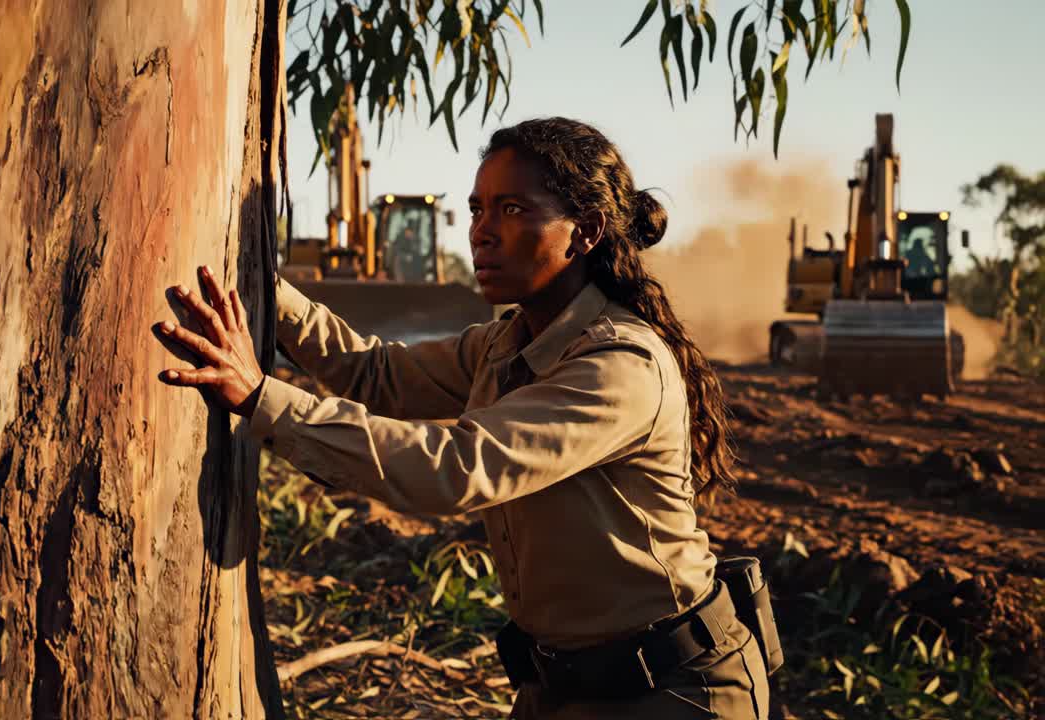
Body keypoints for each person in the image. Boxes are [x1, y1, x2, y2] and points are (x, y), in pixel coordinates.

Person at [155, 117, 770, 719]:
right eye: (477, 209)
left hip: (672, 693)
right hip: (560, 685)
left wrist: (262, 399)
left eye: (511, 210)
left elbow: (456, 468)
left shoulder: (618, 365)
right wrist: (262, 289)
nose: (481, 232)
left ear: (585, 232)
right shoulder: (507, 342)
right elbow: (377, 375)